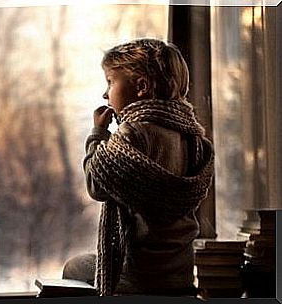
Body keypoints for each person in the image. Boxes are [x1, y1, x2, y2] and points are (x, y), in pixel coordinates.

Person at [62, 38, 214, 297]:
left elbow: (96, 184)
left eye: (110, 82)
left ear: (141, 87)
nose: (105, 94)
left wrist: (98, 134)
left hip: (139, 274)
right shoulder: (194, 140)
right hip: (180, 274)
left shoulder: (132, 133)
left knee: (74, 267)